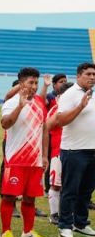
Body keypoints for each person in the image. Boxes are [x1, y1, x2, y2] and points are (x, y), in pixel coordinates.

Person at [0, 67, 48, 237]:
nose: (34, 86)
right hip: (16, 160)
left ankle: (28, 231)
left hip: (35, 160)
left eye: (36, 83)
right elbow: (5, 124)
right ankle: (6, 230)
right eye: (30, 82)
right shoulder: (12, 102)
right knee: (9, 196)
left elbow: (44, 129)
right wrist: (20, 106)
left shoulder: (40, 103)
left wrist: (44, 155)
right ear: (21, 83)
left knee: (30, 197)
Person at [57, 63, 95, 237]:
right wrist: (80, 106)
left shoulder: (94, 93)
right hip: (74, 150)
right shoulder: (69, 94)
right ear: (79, 76)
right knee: (70, 190)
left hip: (92, 149)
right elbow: (61, 120)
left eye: (94, 74)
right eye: (88, 74)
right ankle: (65, 225)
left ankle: (80, 223)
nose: (92, 77)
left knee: (86, 191)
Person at [46, 82, 73, 225]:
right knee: (56, 184)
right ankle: (54, 214)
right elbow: (47, 127)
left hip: (76, 151)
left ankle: (69, 214)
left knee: (72, 185)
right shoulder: (56, 109)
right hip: (58, 152)